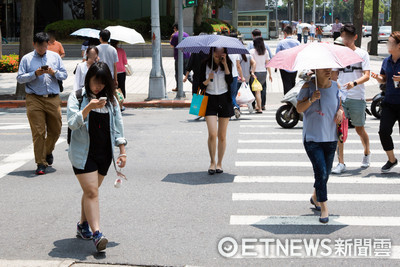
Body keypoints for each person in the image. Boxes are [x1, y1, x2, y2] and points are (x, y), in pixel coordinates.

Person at [67, 62, 127, 252]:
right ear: (88, 79)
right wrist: (87, 109)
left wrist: (122, 152)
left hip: (104, 154)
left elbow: (118, 127)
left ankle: (82, 225)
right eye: (95, 81)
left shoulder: (111, 100)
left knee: (90, 192)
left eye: (102, 83)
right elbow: (72, 124)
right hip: (82, 154)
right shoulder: (77, 97)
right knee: (92, 192)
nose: (98, 86)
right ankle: (97, 234)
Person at [296, 68, 344, 224]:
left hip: (331, 137)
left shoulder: (336, 86)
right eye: (324, 69)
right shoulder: (307, 87)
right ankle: (323, 206)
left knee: (326, 173)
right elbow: (299, 108)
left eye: (330, 68)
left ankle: (315, 196)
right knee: (321, 171)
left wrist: (340, 112)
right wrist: (311, 99)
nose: (328, 71)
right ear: (316, 69)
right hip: (312, 138)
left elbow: (340, 106)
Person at [16, 32, 67, 175]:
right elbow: (20, 78)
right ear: (34, 44)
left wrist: (53, 72)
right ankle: (40, 162)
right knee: (38, 132)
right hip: (34, 98)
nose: (42, 49)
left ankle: (47, 151)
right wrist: (34, 74)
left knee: (56, 130)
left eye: (45, 46)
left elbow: (64, 75)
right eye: (39, 46)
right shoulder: (26, 59)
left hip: (52, 98)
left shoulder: (55, 57)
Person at [331, 24, 371, 174]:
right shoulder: (338, 54)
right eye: (343, 37)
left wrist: (354, 83)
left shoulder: (362, 54)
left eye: (348, 37)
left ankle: (367, 152)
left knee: (360, 129)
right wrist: (336, 84)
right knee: (339, 129)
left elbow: (367, 75)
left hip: (357, 96)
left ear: (354, 37)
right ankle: (341, 162)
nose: (345, 40)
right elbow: (334, 76)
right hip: (341, 98)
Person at [199, 47, 233, 175]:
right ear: (212, 52)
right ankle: (212, 162)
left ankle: (219, 163)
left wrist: (225, 65)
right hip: (210, 99)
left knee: (222, 135)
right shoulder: (205, 64)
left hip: (224, 99)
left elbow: (230, 82)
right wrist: (208, 80)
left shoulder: (228, 63)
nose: (219, 55)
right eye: (216, 52)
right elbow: (199, 84)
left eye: (221, 52)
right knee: (212, 133)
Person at [371, 31, 400, 172]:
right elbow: (384, 78)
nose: (388, 44)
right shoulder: (386, 61)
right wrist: (378, 78)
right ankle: (392, 159)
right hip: (389, 102)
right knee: (383, 131)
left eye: (391, 42)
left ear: (399, 45)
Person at [250, 37, 273, 113]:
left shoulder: (252, 52)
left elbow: (252, 63)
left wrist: (252, 72)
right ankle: (258, 106)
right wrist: (270, 74)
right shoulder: (265, 52)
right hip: (263, 73)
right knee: (259, 90)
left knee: (257, 91)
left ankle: (259, 108)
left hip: (255, 73)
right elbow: (268, 63)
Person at [276, 26, 301, 95]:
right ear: (292, 33)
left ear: (285, 33)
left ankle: (288, 100)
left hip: (284, 66)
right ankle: (293, 99)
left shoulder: (281, 42)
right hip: (294, 65)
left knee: (286, 83)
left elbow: (277, 54)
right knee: (293, 82)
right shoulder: (297, 42)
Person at [170, 23, 190, 92]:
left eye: (174, 28)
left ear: (175, 28)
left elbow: (172, 45)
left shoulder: (175, 36)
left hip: (179, 57)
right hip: (187, 55)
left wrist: (171, 37)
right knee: (186, 71)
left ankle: (178, 87)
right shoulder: (186, 35)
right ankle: (194, 82)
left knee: (178, 72)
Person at [110, 40, 128, 110]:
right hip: (121, 71)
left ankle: (113, 103)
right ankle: (120, 105)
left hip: (111, 72)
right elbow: (125, 61)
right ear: (117, 43)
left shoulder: (110, 50)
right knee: (121, 88)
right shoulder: (121, 50)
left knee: (112, 88)